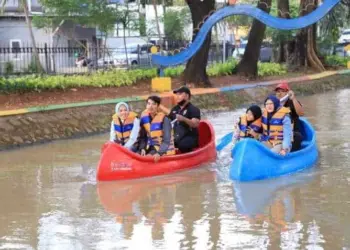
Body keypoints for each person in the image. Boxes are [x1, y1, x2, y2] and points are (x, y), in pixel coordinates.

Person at [162, 86, 201, 153]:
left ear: (187, 96)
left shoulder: (193, 109)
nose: (177, 96)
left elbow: (195, 124)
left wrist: (184, 119)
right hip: (177, 137)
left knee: (182, 145)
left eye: (180, 94)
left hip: (189, 138)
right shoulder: (174, 109)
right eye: (176, 94)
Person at [139, 96, 175, 162]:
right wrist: (142, 148)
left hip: (162, 149)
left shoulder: (165, 119)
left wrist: (159, 153)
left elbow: (167, 140)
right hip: (150, 147)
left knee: (146, 159)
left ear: (158, 106)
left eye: (153, 104)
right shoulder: (144, 118)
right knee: (137, 154)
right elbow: (143, 137)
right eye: (149, 104)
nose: (150, 106)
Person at [274, 82, 305, 151]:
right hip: (278, 132)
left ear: (287, 92)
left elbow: (301, 113)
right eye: (277, 92)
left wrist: (293, 98)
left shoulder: (292, 102)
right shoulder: (273, 104)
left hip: (292, 132)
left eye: (282, 91)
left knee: (297, 137)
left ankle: (290, 153)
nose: (279, 93)